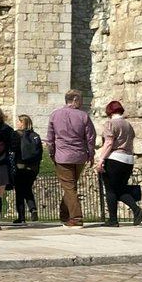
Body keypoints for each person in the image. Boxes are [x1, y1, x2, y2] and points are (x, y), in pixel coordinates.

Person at [46, 90, 96, 227]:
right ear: (74, 99)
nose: (81, 102)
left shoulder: (55, 115)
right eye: (80, 99)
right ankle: (64, 214)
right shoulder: (83, 116)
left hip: (62, 156)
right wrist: (91, 154)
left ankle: (76, 218)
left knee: (69, 188)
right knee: (70, 187)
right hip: (79, 155)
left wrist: (52, 153)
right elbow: (90, 137)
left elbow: (50, 138)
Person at [95, 101, 142, 227]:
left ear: (109, 111)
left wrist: (101, 159)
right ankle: (136, 209)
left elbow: (109, 143)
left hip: (114, 158)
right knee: (120, 188)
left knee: (111, 190)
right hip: (128, 160)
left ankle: (113, 219)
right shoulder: (128, 125)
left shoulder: (110, 124)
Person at [13, 115, 43, 223]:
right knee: (27, 188)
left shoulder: (16, 135)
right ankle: (33, 209)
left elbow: (13, 149)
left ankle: (21, 216)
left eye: (18, 121)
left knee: (19, 192)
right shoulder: (35, 136)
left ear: (22, 123)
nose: (17, 123)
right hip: (33, 168)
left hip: (20, 166)